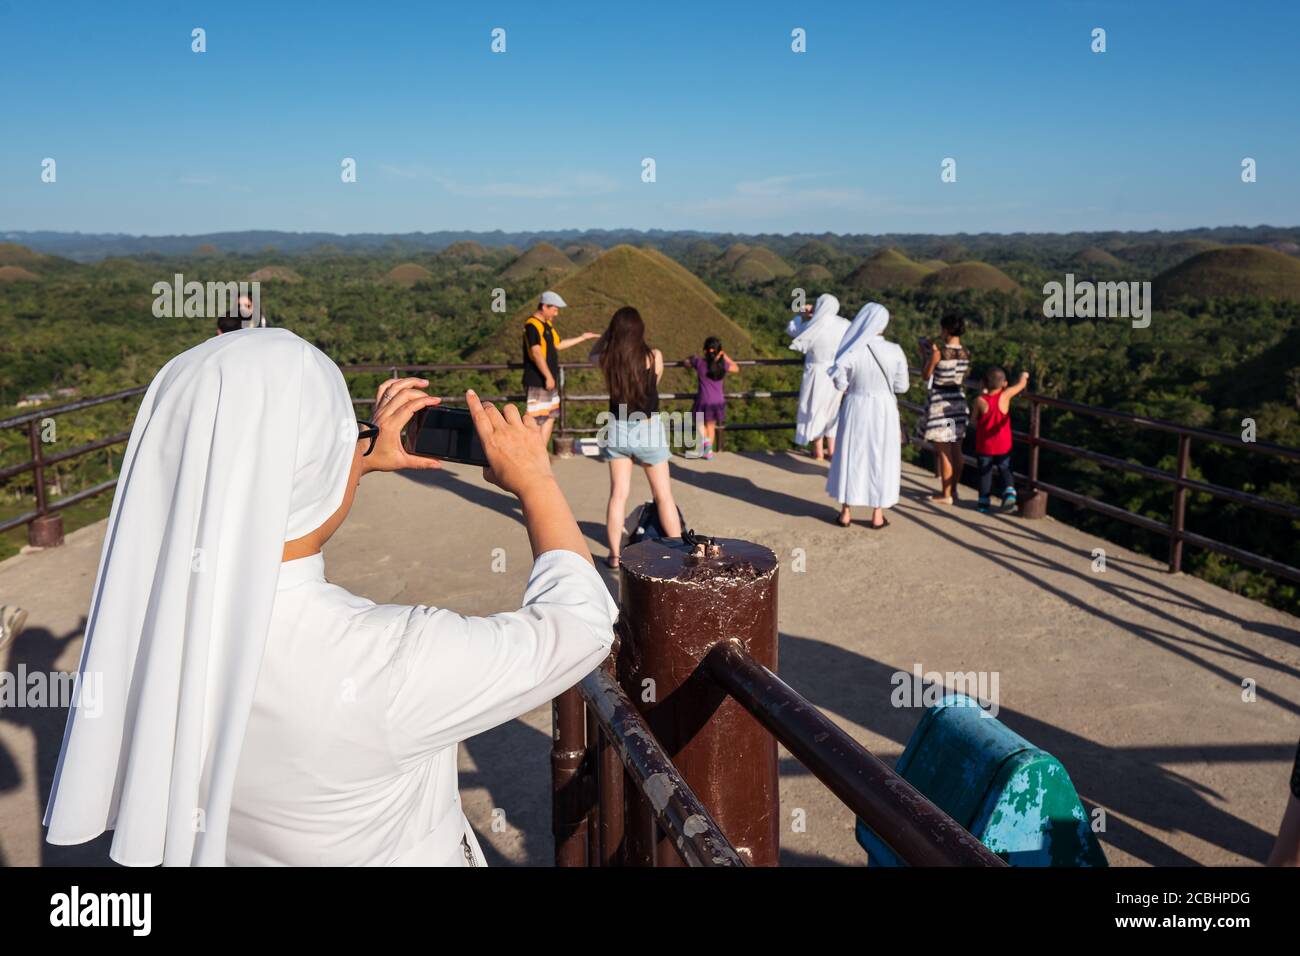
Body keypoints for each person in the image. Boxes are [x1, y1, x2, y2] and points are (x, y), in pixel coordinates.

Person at [42, 328, 618, 866]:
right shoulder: (389, 658)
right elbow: (581, 625)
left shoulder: (145, 630)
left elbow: (252, 496)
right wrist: (535, 481)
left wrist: (349, 455)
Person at [591, 307, 683, 568]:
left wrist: (607, 336)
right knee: (663, 495)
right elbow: (656, 381)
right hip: (647, 429)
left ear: (615, 331)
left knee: (618, 495)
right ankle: (676, 550)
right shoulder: (654, 357)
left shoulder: (609, 360)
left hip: (618, 428)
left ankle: (614, 555)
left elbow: (591, 355)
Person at [826, 303, 909, 529]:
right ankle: (877, 514)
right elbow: (902, 387)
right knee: (882, 457)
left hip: (856, 406)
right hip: (884, 409)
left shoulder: (852, 351)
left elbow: (839, 382)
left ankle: (846, 512)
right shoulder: (895, 350)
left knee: (851, 455)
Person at [522, 291, 598, 451]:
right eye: (554, 309)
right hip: (538, 380)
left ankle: (540, 452)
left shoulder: (547, 325)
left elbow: (559, 344)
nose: (556, 313)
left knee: (550, 416)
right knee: (535, 419)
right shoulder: (532, 325)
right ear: (544, 307)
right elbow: (536, 352)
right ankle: (532, 453)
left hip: (549, 381)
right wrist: (548, 376)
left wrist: (583, 338)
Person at [787, 294, 850, 460]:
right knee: (832, 410)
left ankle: (818, 450)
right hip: (836, 372)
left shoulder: (812, 326)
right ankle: (832, 450)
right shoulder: (844, 324)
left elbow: (792, 329)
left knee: (814, 409)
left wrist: (801, 315)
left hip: (816, 373)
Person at [917, 313, 971, 504]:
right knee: (956, 448)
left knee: (944, 449)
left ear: (947, 330)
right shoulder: (966, 353)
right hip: (958, 401)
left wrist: (927, 356)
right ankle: (953, 489)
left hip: (941, 404)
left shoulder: (939, 353)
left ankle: (945, 494)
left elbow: (926, 375)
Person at [973, 367, 1029, 513]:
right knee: (1005, 467)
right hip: (1003, 443)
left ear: (984, 383)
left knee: (985, 472)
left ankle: (983, 502)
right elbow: (1021, 385)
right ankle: (1009, 491)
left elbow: (973, 422)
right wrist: (1024, 375)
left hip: (985, 444)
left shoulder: (979, 401)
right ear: (1004, 383)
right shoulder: (1005, 396)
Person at [685, 336, 739, 460]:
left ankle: (706, 444)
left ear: (705, 350)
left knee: (698, 422)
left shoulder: (699, 363)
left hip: (704, 400)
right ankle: (708, 452)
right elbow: (736, 368)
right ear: (719, 351)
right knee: (711, 426)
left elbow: (686, 362)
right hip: (718, 401)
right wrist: (724, 356)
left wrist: (691, 357)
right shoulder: (723, 365)